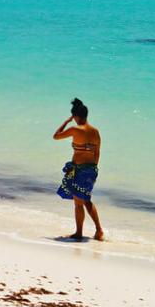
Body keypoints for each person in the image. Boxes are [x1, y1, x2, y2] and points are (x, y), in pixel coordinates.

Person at [53, 97, 104, 241]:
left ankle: (80, 233)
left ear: (75, 116)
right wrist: (93, 168)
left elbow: (56, 136)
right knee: (86, 200)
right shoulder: (95, 131)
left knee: (78, 202)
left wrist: (66, 122)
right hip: (92, 169)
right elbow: (97, 152)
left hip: (80, 170)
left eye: (73, 117)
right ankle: (98, 231)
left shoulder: (75, 129)